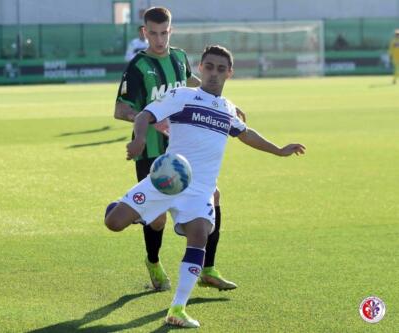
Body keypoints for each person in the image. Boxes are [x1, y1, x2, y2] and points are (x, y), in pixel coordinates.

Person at [106, 45, 306, 328]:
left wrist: (279, 150)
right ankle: (132, 212)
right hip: (167, 179)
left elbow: (246, 134)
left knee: (199, 234)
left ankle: (177, 308)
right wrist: (139, 139)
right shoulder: (182, 96)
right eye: (209, 67)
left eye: (221, 69)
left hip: (200, 190)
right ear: (200, 68)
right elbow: (144, 116)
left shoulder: (227, 109)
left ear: (230, 73)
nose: (214, 73)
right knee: (113, 223)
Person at [115, 6, 245, 293]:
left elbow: (196, 86)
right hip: (152, 151)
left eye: (164, 33)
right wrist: (154, 122)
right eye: (153, 34)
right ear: (144, 33)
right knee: (158, 217)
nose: (159, 40)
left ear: (170, 31)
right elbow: (121, 109)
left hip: (187, 149)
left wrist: (228, 108)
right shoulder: (137, 66)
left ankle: (208, 268)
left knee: (213, 195)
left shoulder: (180, 57)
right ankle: (153, 261)